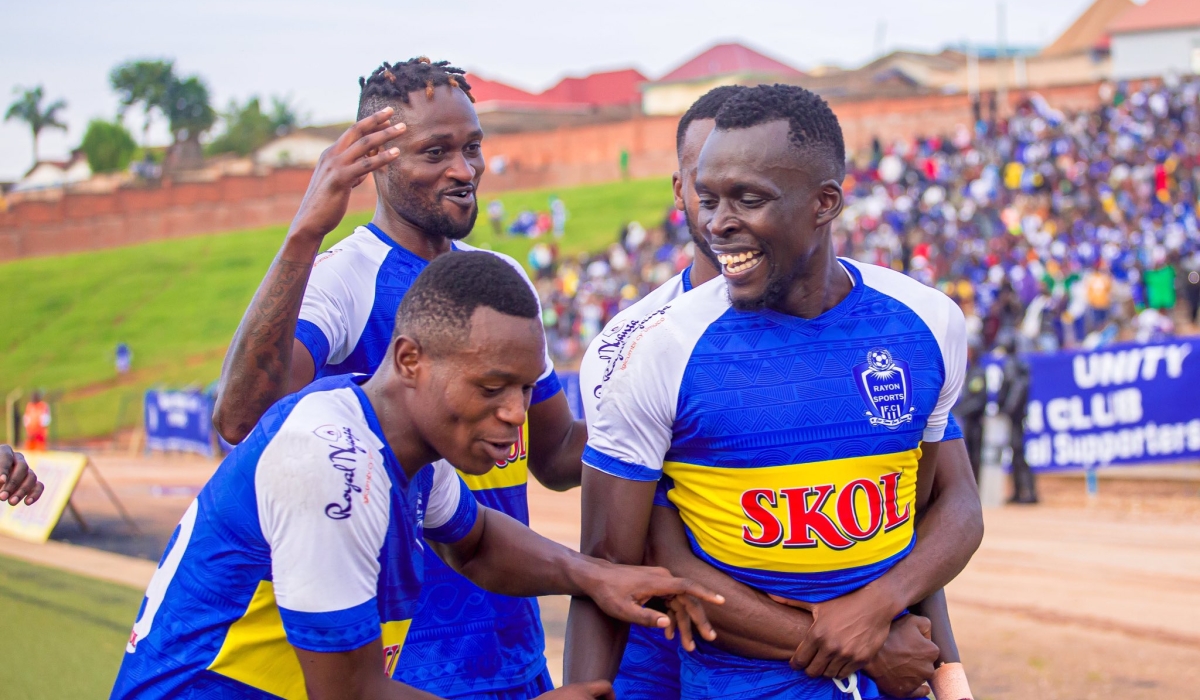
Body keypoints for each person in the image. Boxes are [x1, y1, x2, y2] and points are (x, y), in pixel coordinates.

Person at [111, 252, 722, 700]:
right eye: (491, 387)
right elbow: (348, 694)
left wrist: (594, 576)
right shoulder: (332, 462)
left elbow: (477, 543)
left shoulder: (402, 449)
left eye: (526, 388)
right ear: (410, 359)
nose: (516, 413)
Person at [568, 85, 978, 699]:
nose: (717, 223)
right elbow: (616, 565)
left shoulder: (927, 322)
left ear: (824, 203)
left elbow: (946, 507)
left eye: (748, 199)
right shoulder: (654, 349)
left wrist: (885, 613)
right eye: (708, 199)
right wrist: (852, 638)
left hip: (897, 676)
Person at [212, 58, 586, 698]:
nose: (464, 171)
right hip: (402, 668)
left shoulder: (500, 278)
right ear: (375, 161)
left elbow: (553, 457)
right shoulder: (342, 277)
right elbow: (241, 418)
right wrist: (306, 229)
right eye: (434, 151)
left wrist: (661, 418)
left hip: (512, 647)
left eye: (472, 149)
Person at [997, 335, 1036, 504]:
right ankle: (1019, 491)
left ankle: (1028, 493)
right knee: (1016, 454)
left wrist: (1007, 410)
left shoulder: (1011, 365)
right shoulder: (1017, 364)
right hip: (1017, 417)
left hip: (1014, 418)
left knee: (1018, 453)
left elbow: (1015, 391)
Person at [953, 342, 988, 485]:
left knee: (974, 457)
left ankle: (975, 488)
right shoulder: (970, 372)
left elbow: (979, 400)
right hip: (967, 422)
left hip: (975, 423)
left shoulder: (978, 373)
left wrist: (960, 411)